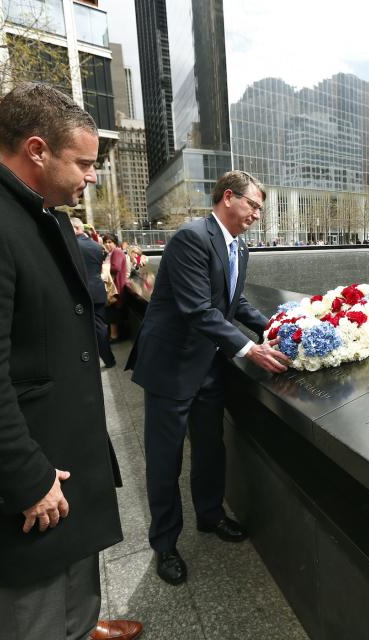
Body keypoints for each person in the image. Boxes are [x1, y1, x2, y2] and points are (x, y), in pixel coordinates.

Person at [0, 83, 141, 640]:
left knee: (73, 566)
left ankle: (80, 628)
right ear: (37, 149)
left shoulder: (36, 215)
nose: (91, 177)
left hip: (62, 443)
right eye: (83, 163)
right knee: (35, 599)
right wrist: (26, 479)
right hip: (32, 461)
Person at [127, 170, 291, 586]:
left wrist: (276, 327)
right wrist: (249, 349)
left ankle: (210, 515)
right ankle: (165, 544)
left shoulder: (239, 246)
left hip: (208, 365)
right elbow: (198, 309)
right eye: (253, 204)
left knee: (210, 447)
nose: (257, 214)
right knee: (165, 460)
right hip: (171, 366)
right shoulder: (191, 238)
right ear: (229, 197)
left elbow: (234, 302)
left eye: (259, 208)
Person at [71, 217, 117, 369]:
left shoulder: (70, 245)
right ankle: (109, 360)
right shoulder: (98, 247)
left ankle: (84, 362)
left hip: (77, 292)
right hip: (97, 291)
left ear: (77, 228)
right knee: (101, 327)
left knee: (78, 328)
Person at [101, 233, 127, 342]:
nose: (107, 244)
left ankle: (114, 336)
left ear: (115, 243)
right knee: (111, 312)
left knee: (114, 312)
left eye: (109, 242)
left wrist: (103, 267)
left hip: (116, 287)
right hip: (113, 287)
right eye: (105, 242)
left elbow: (116, 268)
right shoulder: (110, 253)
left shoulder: (117, 251)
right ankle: (113, 335)